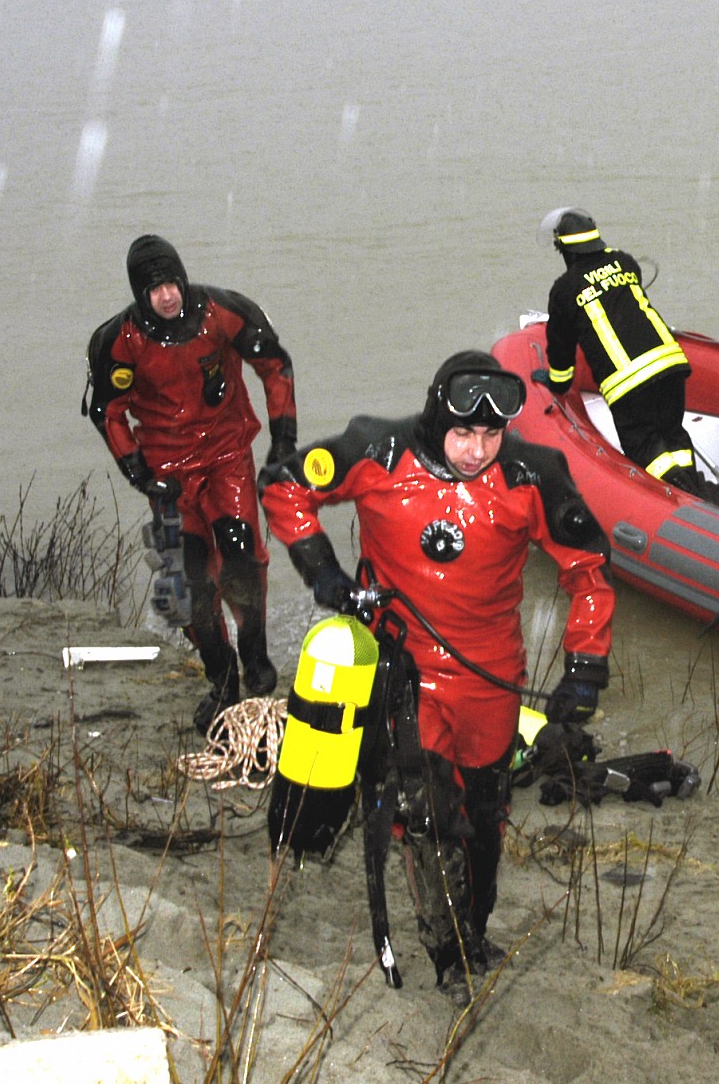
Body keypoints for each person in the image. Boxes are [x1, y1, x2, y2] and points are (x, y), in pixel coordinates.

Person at [262, 351, 614, 1004]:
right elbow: (284, 484)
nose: (477, 450)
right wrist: (327, 576)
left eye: (490, 435)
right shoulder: (377, 450)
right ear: (435, 417)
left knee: (485, 815)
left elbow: (588, 567)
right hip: (405, 675)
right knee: (424, 818)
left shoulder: (533, 474)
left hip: (492, 678)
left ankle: (475, 929)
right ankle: (447, 952)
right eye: (463, 434)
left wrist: (585, 666)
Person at [86, 234, 295, 731]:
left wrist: (283, 442)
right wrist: (138, 473)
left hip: (226, 457)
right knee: (191, 587)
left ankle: (255, 655)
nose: (167, 295)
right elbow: (107, 411)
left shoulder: (224, 312)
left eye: (171, 282)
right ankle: (221, 680)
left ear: (183, 276)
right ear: (140, 293)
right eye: (154, 288)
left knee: (242, 555)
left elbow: (275, 365)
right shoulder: (118, 342)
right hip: (167, 474)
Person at [538, 209, 702, 492]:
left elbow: (561, 346)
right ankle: (695, 490)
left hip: (629, 381)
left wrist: (558, 382)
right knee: (674, 436)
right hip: (670, 366)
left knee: (645, 445)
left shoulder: (564, 289)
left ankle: (677, 494)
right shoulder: (625, 263)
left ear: (564, 250)